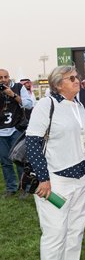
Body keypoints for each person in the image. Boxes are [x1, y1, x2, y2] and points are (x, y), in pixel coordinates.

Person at [26, 65, 85, 260]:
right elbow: (33, 142)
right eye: (71, 78)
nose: (77, 81)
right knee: (55, 233)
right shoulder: (46, 105)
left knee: (76, 231)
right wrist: (43, 179)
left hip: (81, 178)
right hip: (55, 182)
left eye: (76, 77)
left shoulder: (79, 105)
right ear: (58, 84)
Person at [0, 69, 33, 197]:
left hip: (16, 129)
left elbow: (29, 105)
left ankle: (24, 187)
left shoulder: (19, 87)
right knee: (5, 162)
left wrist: (12, 95)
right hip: (1, 131)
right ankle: (11, 188)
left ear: (9, 77)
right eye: (0, 77)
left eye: (5, 77)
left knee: (20, 160)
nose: (3, 79)